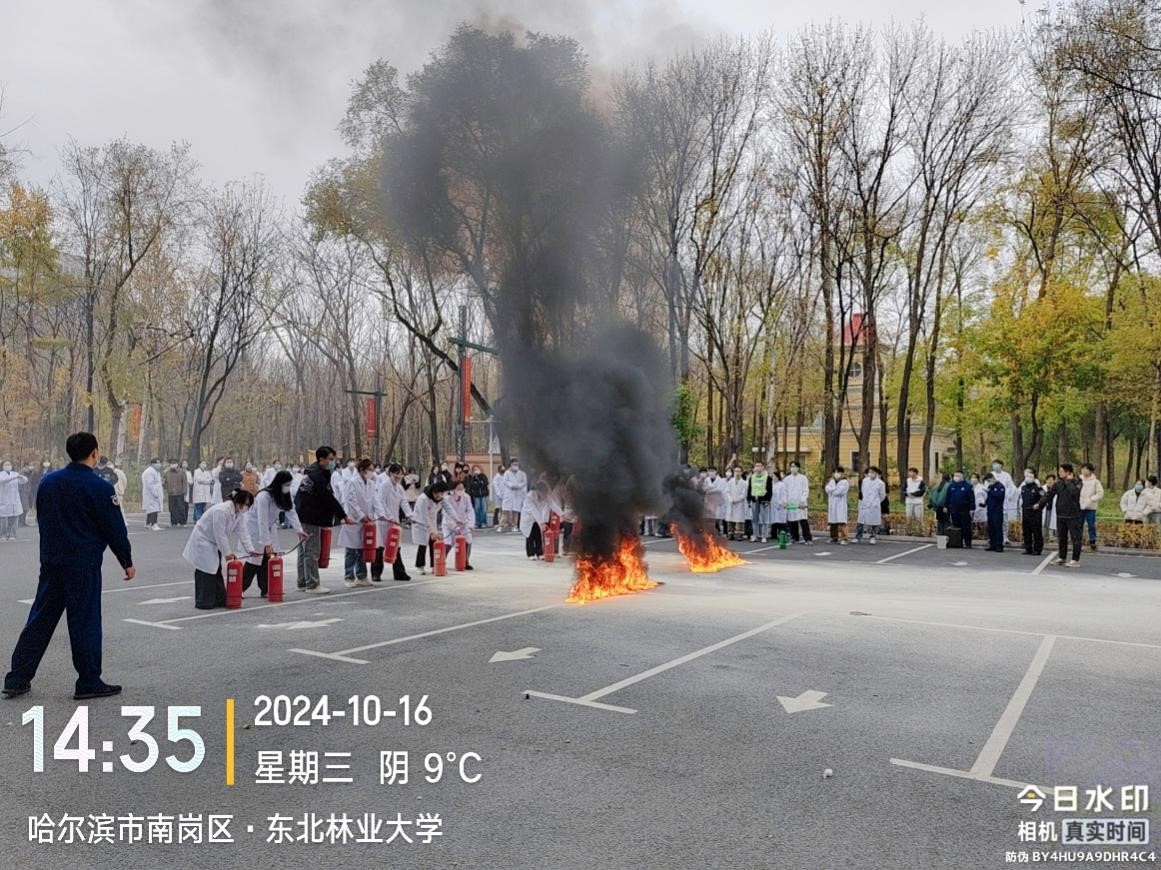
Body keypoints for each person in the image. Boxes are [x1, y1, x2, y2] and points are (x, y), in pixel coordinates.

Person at [3, 432, 134, 700]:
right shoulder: (100, 487)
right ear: (94, 453)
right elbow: (114, 528)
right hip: (83, 564)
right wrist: (126, 560)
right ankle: (88, 680)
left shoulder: (49, 483)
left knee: (40, 618)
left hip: (52, 561)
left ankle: (17, 678)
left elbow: (42, 518)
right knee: (85, 621)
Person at [183, 489, 257, 609]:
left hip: (213, 543)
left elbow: (243, 532)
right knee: (206, 570)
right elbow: (220, 535)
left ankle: (219, 598)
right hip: (203, 540)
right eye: (246, 504)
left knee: (215, 569)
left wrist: (250, 549)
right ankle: (203, 601)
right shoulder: (221, 511)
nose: (246, 508)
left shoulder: (239, 514)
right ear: (238, 502)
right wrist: (227, 553)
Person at [293, 446, 352, 594]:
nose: (333, 462)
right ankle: (312, 584)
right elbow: (328, 498)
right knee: (311, 550)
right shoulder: (317, 475)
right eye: (331, 459)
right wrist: (343, 515)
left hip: (303, 513)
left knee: (304, 550)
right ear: (322, 459)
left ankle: (302, 582)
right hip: (310, 516)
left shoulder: (314, 472)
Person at [245, 470, 308, 597]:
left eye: (289, 485)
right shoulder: (264, 496)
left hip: (269, 526)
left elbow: (291, 511)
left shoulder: (283, 495)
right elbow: (262, 520)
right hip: (256, 528)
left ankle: (266, 589)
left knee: (267, 559)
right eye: (286, 484)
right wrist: (266, 542)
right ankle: (239, 587)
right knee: (254, 560)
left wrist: (299, 530)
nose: (288, 487)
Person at [338, 459, 379, 588]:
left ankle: (361, 576)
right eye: (370, 470)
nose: (372, 472)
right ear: (362, 470)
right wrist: (361, 516)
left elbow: (375, 501)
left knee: (362, 549)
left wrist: (377, 515)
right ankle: (349, 577)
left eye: (372, 470)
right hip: (354, 520)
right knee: (351, 550)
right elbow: (351, 501)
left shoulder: (371, 484)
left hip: (366, 521)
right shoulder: (352, 482)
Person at [1035, 464, 1084, 567]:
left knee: (1076, 538)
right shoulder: (1058, 483)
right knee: (1061, 537)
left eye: (1061, 471)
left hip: (1073, 514)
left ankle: (1075, 559)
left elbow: (1074, 493)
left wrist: (1069, 481)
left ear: (1068, 472)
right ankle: (1062, 557)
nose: (1059, 473)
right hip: (1061, 514)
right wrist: (1040, 503)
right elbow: (1049, 494)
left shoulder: (1077, 481)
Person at [373, 463, 413, 582]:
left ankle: (399, 573)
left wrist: (410, 515)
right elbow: (381, 502)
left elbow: (404, 502)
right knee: (380, 547)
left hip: (394, 521)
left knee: (396, 546)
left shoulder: (400, 488)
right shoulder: (384, 486)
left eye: (400, 475)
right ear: (390, 473)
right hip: (383, 520)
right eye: (396, 474)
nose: (398, 477)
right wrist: (389, 516)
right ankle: (376, 573)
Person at [411, 482, 446, 574]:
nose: (439, 496)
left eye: (441, 493)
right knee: (422, 545)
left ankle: (435, 565)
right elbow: (424, 516)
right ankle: (419, 566)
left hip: (431, 522)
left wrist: (457, 520)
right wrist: (431, 532)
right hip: (421, 523)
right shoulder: (423, 499)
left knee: (433, 544)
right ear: (433, 492)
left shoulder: (441, 499)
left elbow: (449, 509)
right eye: (437, 493)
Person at [442, 477, 476, 570]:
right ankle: (441, 562)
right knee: (448, 544)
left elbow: (470, 510)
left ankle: (465, 561)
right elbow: (447, 514)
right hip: (449, 525)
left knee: (468, 541)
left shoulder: (466, 497)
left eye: (462, 488)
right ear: (453, 489)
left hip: (463, 524)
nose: (461, 490)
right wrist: (454, 527)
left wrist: (471, 524)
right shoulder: (447, 498)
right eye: (459, 488)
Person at [520, 481, 556, 560]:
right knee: (530, 536)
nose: (545, 494)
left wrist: (562, 514)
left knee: (538, 536)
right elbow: (534, 511)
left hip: (538, 519)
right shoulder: (530, 496)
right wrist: (541, 523)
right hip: (528, 518)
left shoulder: (545, 496)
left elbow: (552, 504)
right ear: (538, 491)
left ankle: (539, 553)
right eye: (543, 492)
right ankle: (530, 554)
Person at [784, 462, 812, 544]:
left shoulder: (803, 478)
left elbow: (805, 490)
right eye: (791, 466)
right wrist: (785, 501)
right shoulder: (787, 479)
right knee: (792, 521)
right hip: (791, 502)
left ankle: (808, 538)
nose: (793, 468)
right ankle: (794, 537)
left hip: (800, 503)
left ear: (798, 468)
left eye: (795, 466)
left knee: (803, 521)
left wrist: (802, 501)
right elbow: (784, 491)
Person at [1078, 463, 1104, 551]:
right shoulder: (1078, 480)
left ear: (1090, 471)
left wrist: (1091, 499)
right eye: (1082, 469)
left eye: (1086, 469)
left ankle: (1092, 541)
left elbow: (1100, 493)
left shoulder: (1095, 481)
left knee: (1091, 525)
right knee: (1079, 525)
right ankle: (1078, 541)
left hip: (1091, 507)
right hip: (1080, 506)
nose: (1083, 470)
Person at [945, 470, 975, 548]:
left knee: (966, 527)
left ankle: (968, 543)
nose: (956, 477)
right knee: (956, 526)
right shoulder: (951, 486)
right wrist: (946, 506)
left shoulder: (968, 486)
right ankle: (958, 542)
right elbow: (947, 497)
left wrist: (972, 509)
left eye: (958, 476)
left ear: (962, 476)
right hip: (954, 509)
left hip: (965, 509)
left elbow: (972, 498)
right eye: (955, 475)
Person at [0, 461, 28, 541]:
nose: (8, 466)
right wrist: (15, 477)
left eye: (9, 464)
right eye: (6, 464)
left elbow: (24, 481)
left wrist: (21, 476)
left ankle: (12, 534)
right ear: (2, 466)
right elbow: (3, 480)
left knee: (14, 518)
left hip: (15, 500)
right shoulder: (1, 474)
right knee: (3, 519)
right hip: (4, 500)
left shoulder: (14, 474)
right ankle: (3, 535)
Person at [856, 466, 885, 544]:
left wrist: (876, 501)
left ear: (876, 473)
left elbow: (882, 495)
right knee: (860, 521)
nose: (870, 474)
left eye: (872, 472)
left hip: (874, 505)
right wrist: (866, 500)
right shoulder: (864, 481)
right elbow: (863, 491)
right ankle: (858, 537)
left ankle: (873, 537)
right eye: (869, 472)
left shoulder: (880, 483)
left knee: (874, 522)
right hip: (864, 503)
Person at [991, 460, 1017, 545]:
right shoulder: (991, 474)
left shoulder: (1006, 475)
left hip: (1004, 500)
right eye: (994, 464)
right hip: (993, 500)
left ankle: (1005, 536)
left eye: (997, 464)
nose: (995, 466)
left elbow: (1011, 487)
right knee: (993, 520)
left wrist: (1006, 495)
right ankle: (993, 536)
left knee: (1004, 520)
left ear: (1001, 465)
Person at [746, 461, 772, 543]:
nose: (757, 467)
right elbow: (749, 488)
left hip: (763, 500)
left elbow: (770, 490)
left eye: (759, 466)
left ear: (763, 467)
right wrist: (748, 499)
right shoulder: (752, 477)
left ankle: (764, 536)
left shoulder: (767, 478)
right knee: (754, 519)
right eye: (756, 466)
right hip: (754, 500)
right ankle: (755, 535)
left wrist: (768, 500)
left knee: (764, 519)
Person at [1019, 471, 1045, 555]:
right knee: (1026, 531)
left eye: (1030, 477)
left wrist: (1038, 505)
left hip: (1035, 513)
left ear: (1034, 479)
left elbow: (1044, 499)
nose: (1028, 478)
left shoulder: (1038, 489)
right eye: (1027, 476)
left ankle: (1037, 549)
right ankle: (1028, 548)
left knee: (1036, 531)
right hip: (1025, 511)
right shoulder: (1023, 488)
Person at [502, 459, 528, 534]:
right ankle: (502, 525)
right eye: (514, 464)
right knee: (505, 511)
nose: (516, 466)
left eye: (517, 464)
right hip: (509, 493)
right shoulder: (507, 473)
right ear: (511, 465)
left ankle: (515, 526)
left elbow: (524, 482)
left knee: (515, 511)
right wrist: (511, 485)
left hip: (518, 494)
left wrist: (518, 486)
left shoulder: (522, 474)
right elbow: (505, 481)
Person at [825, 467, 849, 544]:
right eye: (835, 472)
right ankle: (834, 537)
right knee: (833, 522)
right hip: (832, 504)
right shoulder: (831, 481)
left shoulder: (845, 482)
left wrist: (832, 490)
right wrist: (833, 489)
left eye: (838, 472)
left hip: (840, 504)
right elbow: (826, 489)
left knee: (842, 522)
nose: (836, 474)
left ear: (842, 473)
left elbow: (840, 492)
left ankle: (844, 538)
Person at [983, 473, 1007, 552]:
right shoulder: (990, 487)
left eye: (989, 480)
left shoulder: (1000, 486)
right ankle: (992, 544)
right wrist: (984, 503)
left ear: (993, 478)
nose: (989, 482)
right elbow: (989, 498)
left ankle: (999, 545)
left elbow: (1000, 496)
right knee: (991, 528)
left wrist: (991, 491)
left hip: (997, 510)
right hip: (990, 510)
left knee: (997, 528)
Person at [725, 466, 748, 541]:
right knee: (730, 518)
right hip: (731, 502)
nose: (737, 473)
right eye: (735, 471)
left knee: (739, 519)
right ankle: (730, 533)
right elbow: (727, 491)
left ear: (741, 472)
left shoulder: (744, 483)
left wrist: (737, 499)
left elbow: (744, 494)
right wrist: (731, 499)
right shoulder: (730, 482)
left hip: (739, 503)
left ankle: (739, 534)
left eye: (738, 471)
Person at [141, 458, 164, 530]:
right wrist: (155, 493)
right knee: (154, 509)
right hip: (151, 494)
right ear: (152, 464)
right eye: (157, 463)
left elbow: (156, 482)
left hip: (154, 493)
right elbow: (150, 484)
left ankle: (148, 523)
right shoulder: (149, 472)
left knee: (151, 509)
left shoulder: (155, 471)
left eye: (159, 463)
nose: (159, 464)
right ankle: (154, 524)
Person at [164, 460, 189, 527]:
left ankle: (182, 522)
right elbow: (165, 482)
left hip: (180, 493)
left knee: (181, 507)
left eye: (174, 463)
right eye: (172, 463)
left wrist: (184, 491)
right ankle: (174, 522)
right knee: (172, 508)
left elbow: (184, 482)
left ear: (177, 464)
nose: (173, 465)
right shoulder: (167, 473)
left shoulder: (182, 472)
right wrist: (167, 488)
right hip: (171, 493)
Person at [466, 465, 490, 529]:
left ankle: (483, 522)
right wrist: (479, 483)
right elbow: (473, 486)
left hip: (484, 495)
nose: (476, 471)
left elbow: (485, 483)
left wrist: (479, 483)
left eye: (477, 469)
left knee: (484, 509)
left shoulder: (483, 476)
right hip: (476, 495)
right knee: (477, 509)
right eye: (475, 470)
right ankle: (477, 522)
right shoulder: (473, 478)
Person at [492, 462, 509, 530]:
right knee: (497, 509)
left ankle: (503, 522)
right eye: (502, 470)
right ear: (499, 470)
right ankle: (495, 522)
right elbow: (496, 487)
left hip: (505, 495)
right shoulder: (496, 477)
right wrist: (499, 494)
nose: (503, 471)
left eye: (504, 470)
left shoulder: (505, 476)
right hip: (498, 496)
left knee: (504, 509)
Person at [1041, 473, 1058, 542]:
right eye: (1048, 480)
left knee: (1051, 523)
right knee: (1044, 523)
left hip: (1052, 508)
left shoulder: (1056, 489)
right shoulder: (1042, 488)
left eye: (1051, 480)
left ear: (1054, 481)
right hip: (1045, 508)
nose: (1050, 481)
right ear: (1046, 480)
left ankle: (1050, 537)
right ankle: (1043, 537)